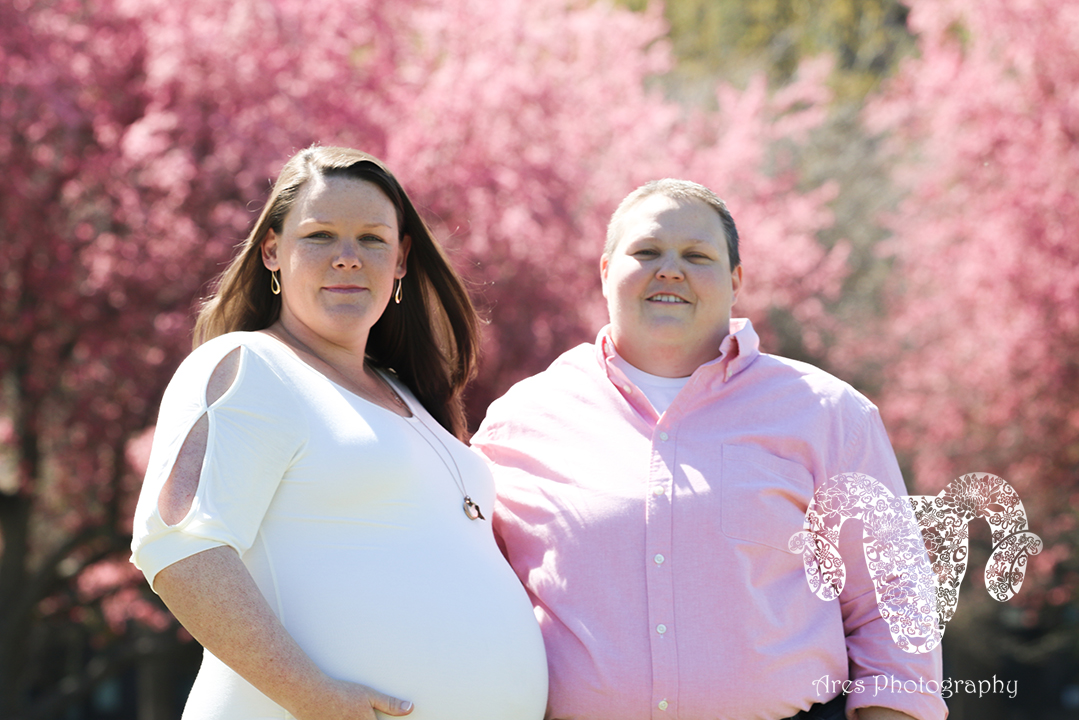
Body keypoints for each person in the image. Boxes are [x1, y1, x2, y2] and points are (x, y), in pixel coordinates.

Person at [471, 179, 948, 720]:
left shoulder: (830, 415)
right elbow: (463, 591)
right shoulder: (521, 420)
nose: (670, 270)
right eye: (646, 251)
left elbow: (894, 605)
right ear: (605, 271)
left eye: (696, 256)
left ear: (735, 280)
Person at [130, 146, 547, 720]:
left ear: (400, 260)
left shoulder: (406, 393)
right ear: (272, 251)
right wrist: (314, 698)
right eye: (320, 235)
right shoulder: (250, 365)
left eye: (372, 239)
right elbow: (179, 544)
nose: (348, 258)